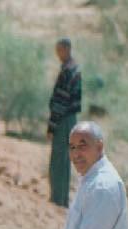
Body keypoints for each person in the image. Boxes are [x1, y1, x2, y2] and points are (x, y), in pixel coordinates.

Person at [48, 37, 82, 208]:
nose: (58, 54)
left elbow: (61, 102)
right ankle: (61, 199)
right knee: (64, 160)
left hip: (63, 120)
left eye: (59, 50)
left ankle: (57, 199)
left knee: (58, 160)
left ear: (66, 49)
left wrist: (52, 125)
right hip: (71, 119)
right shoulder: (75, 68)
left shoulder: (67, 71)